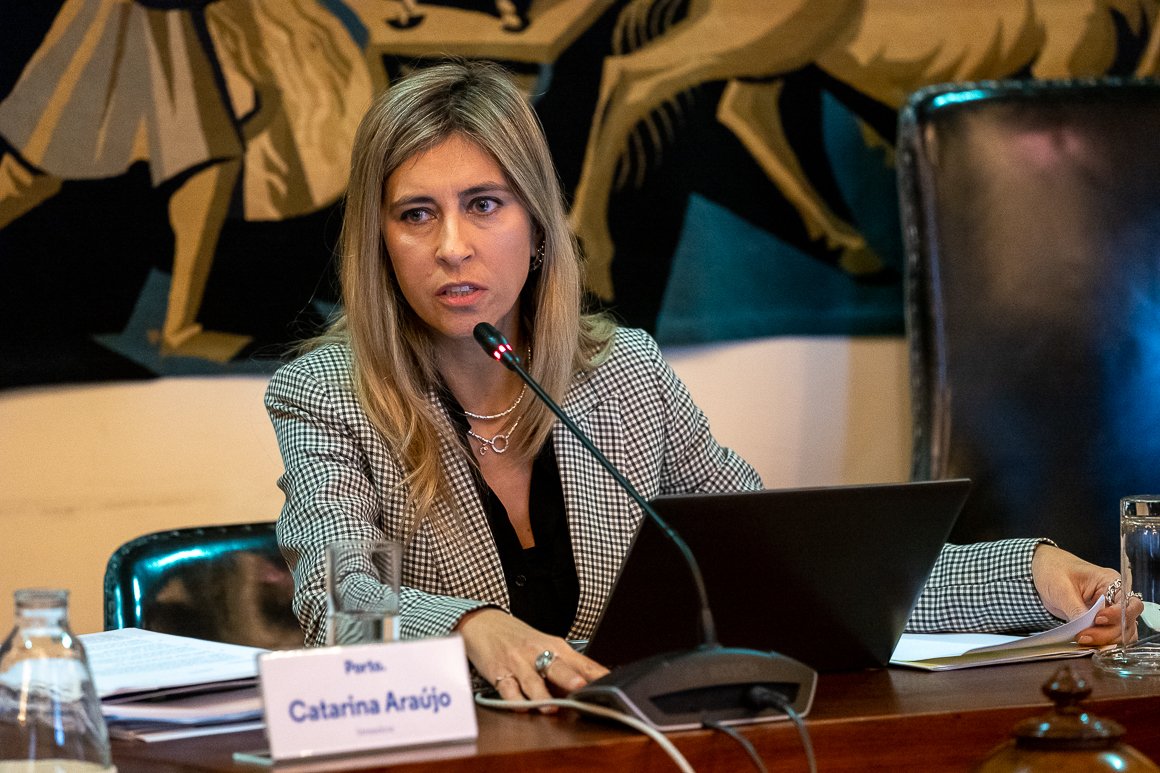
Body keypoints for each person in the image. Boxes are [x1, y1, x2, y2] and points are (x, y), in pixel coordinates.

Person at [266, 59, 1134, 704]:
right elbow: (334, 605)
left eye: (483, 205)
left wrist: (1030, 575)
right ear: (380, 241)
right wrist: (469, 626)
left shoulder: (626, 376)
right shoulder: (327, 395)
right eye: (417, 214)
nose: (452, 245)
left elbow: (792, 575)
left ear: (536, 224)